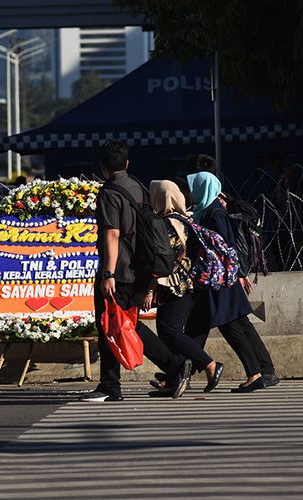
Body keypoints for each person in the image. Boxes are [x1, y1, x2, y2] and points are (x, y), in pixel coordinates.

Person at [79, 141, 192, 402]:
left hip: (118, 270)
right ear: (127, 164)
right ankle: (173, 365)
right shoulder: (137, 187)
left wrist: (107, 274)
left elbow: (112, 234)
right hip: (138, 268)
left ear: (102, 167)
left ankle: (112, 386)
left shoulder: (109, 193)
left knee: (110, 324)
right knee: (123, 323)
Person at [186, 171, 279, 392]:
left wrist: (235, 274)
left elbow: (225, 247)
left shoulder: (214, 213)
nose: (190, 194)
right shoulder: (206, 211)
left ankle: (256, 373)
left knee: (232, 327)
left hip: (219, 281)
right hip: (216, 280)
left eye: (194, 188)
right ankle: (178, 373)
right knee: (197, 328)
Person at [143, 180, 224, 395]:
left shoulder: (166, 224)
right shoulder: (185, 219)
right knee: (167, 330)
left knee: (170, 331)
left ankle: (209, 365)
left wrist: (150, 290)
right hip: (189, 285)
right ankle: (174, 379)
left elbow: (161, 261)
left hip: (176, 286)